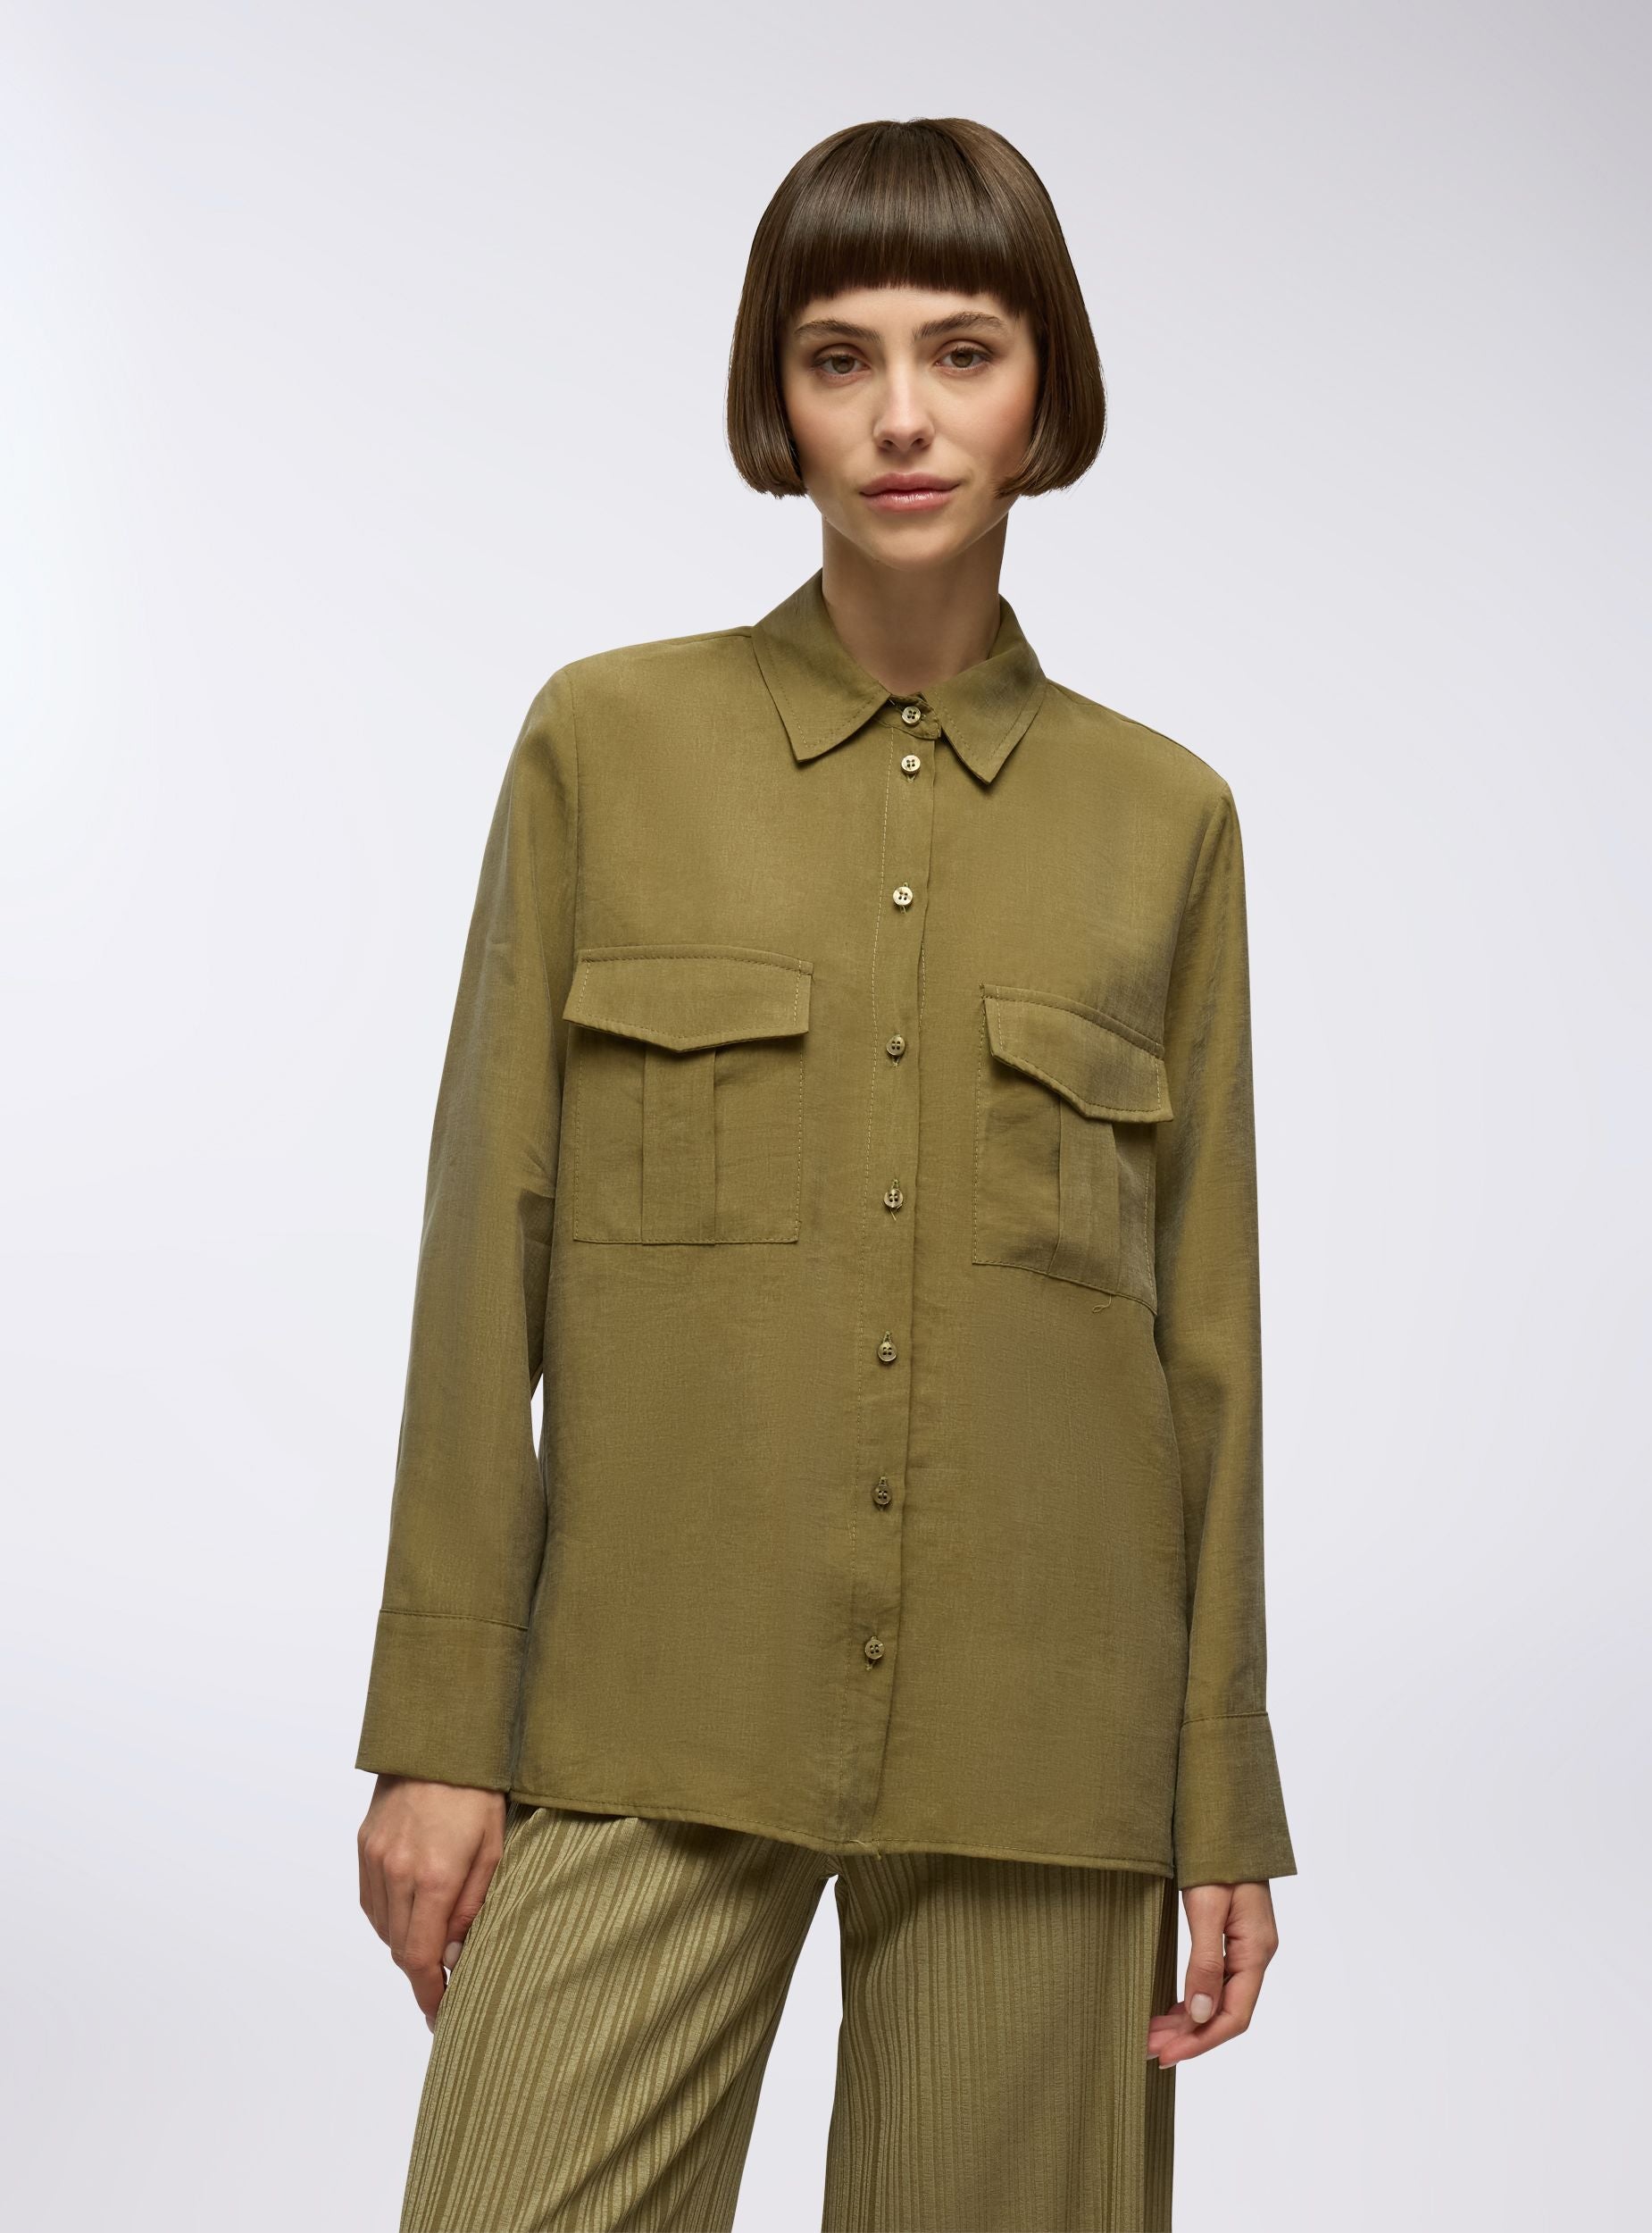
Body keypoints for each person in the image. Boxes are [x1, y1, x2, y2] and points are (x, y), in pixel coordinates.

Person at [354, 114, 1297, 2233]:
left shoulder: (1166, 822)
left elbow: (1208, 1349)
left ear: (1043, 389)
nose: (900, 417)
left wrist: (1218, 1787)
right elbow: (482, 1248)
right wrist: (437, 1721)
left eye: (961, 351)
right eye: (836, 356)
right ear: (772, 400)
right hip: (648, 1699)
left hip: (1043, 1734)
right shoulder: (604, 744)